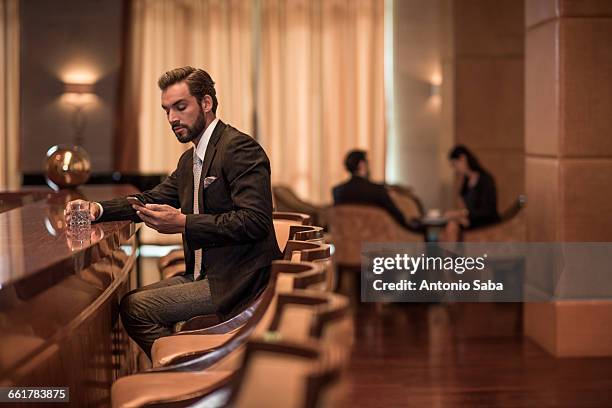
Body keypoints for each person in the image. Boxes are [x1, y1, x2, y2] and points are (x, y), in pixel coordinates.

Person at [65, 66, 281, 358]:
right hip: (202, 274)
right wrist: (97, 209)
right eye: (167, 110)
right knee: (132, 300)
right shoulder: (189, 160)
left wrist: (183, 223)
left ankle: (188, 374)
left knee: (135, 308)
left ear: (206, 103)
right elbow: (151, 198)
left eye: (180, 107)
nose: (172, 118)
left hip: (238, 282)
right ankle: (185, 368)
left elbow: (255, 222)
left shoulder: (238, 148)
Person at [332, 150, 421, 231]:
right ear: (362, 164)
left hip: (348, 239)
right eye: (367, 163)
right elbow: (396, 216)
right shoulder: (377, 190)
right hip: (376, 240)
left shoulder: (337, 191)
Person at [442, 145, 500, 240]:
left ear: (463, 159)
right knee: (448, 225)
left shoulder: (485, 180)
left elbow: (486, 210)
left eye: (454, 164)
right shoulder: (466, 180)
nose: (455, 169)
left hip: (485, 220)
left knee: (452, 226)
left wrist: (462, 214)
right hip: (472, 220)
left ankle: (450, 254)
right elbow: (465, 207)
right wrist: (460, 215)